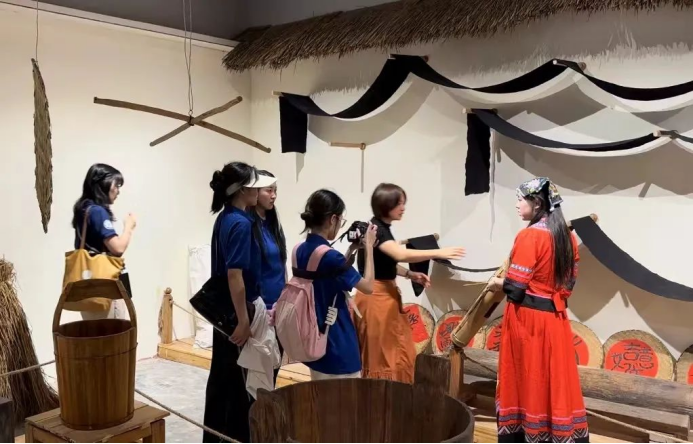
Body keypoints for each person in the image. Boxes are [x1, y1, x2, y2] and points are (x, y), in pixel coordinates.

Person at [487, 177, 588, 443]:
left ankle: (528, 433)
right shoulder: (567, 237)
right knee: (554, 380)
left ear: (537, 203)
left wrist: (497, 282)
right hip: (556, 319)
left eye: (521, 199)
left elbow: (516, 287)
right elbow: (568, 285)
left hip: (528, 322)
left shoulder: (530, 236)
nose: (517, 205)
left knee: (528, 379)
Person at [355, 183, 465, 383]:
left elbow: (385, 263)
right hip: (376, 300)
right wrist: (439, 252)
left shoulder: (379, 228)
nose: (403, 208)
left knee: (398, 350)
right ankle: (382, 398)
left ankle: (394, 396)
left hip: (383, 296)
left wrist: (410, 274)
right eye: (399, 203)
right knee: (384, 355)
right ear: (386, 205)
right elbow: (400, 254)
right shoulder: (377, 229)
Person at [202, 161, 277, 443]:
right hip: (238, 313)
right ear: (244, 190)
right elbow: (235, 276)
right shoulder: (242, 223)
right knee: (239, 384)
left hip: (224, 312)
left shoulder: (225, 217)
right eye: (255, 186)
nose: (260, 191)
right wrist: (244, 321)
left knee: (223, 380)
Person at [296, 189, 377, 380]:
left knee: (320, 396)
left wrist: (351, 249)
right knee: (346, 399)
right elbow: (368, 287)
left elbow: (329, 276)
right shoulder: (331, 257)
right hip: (337, 343)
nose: (340, 226)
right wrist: (369, 248)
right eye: (341, 220)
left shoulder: (300, 250)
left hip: (314, 340)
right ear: (333, 219)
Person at [72, 163, 136, 320]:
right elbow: (118, 248)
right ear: (103, 184)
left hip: (89, 290)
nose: (118, 191)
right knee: (114, 333)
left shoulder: (84, 209)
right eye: (116, 185)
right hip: (105, 290)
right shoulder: (97, 211)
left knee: (95, 332)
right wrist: (128, 227)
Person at [249, 170, 287, 383]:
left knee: (274, 366)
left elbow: (280, 264)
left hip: (279, 306)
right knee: (260, 373)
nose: (274, 196)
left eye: (275, 191)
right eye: (269, 190)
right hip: (261, 309)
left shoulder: (272, 223)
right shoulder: (248, 224)